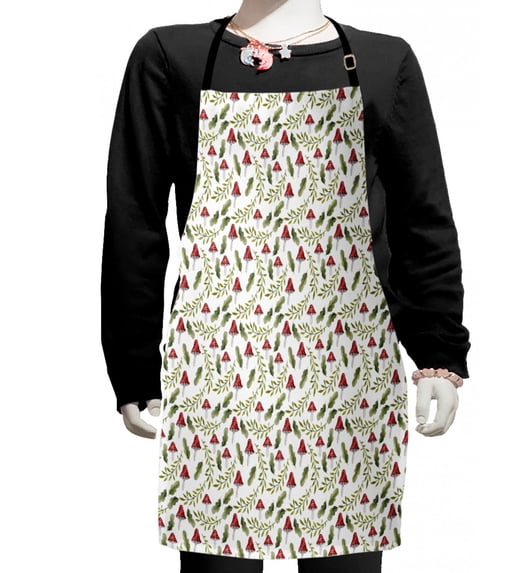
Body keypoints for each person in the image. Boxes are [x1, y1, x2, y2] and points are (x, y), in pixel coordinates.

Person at [101, 1, 471, 571]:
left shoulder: (383, 61)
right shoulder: (171, 57)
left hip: (344, 377)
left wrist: (438, 355)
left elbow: (421, 220)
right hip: (221, 372)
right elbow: (135, 220)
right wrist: (133, 365)